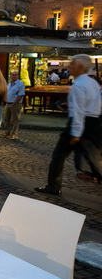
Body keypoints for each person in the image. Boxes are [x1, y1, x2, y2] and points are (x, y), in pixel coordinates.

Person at [36, 55, 102, 196]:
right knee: (92, 158)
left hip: (80, 124)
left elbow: (79, 112)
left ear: (79, 67)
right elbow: (95, 105)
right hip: (93, 123)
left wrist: (75, 134)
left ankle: (53, 186)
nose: (69, 66)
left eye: (72, 64)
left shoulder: (79, 85)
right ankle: (53, 186)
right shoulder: (93, 84)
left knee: (59, 155)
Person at [4, 70, 26, 140]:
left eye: (15, 75)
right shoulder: (9, 84)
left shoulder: (20, 84)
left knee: (14, 119)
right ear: (10, 75)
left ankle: (14, 134)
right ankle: (7, 132)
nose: (14, 76)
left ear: (18, 76)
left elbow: (21, 95)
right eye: (13, 75)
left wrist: (14, 103)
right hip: (8, 103)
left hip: (16, 104)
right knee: (6, 118)